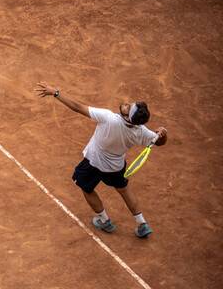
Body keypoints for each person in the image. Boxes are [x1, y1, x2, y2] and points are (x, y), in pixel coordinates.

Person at [34, 82, 168, 238]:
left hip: (93, 163)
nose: (125, 104)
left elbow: (77, 107)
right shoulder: (141, 132)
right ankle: (142, 223)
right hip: (116, 167)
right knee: (124, 190)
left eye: (128, 107)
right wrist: (162, 134)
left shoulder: (108, 118)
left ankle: (104, 220)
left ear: (127, 116)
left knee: (86, 188)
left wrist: (56, 93)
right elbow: (158, 142)